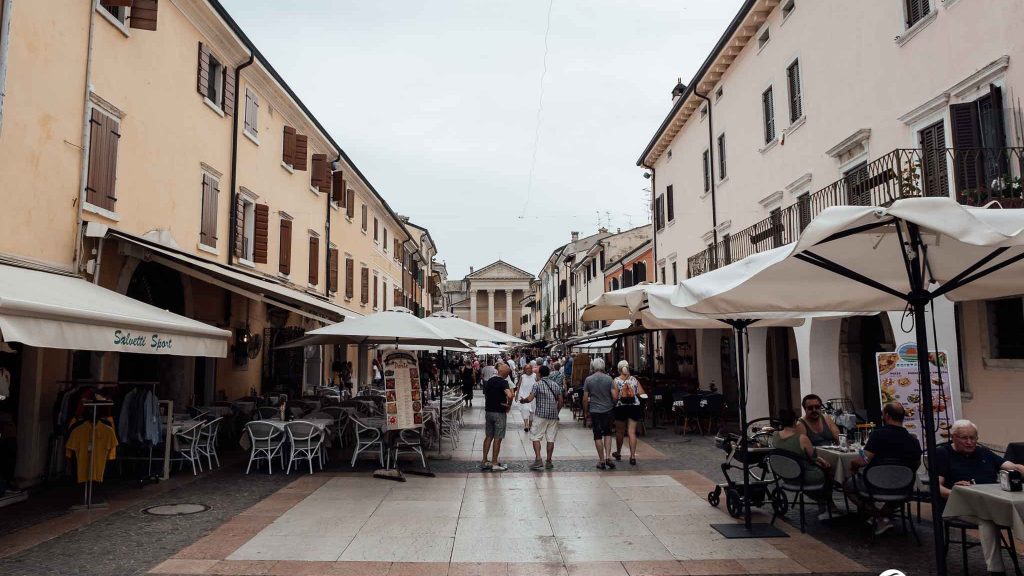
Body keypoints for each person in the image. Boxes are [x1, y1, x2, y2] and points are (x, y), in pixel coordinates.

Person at [935, 419, 1024, 576]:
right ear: (954, 437)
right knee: (986, 520)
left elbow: (1010, 466)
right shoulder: (943, 454)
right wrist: (955, 491)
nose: (970, 442)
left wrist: (1019, 468)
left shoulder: (983, 452)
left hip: (992, 504)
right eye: (964, 438)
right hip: (961, 506)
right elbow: (937, 487)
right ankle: (996, 571)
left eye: (973, 438)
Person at [844, 403, 922, 535]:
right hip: (902, 487)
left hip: (875, 485)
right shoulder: (913, 440)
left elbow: (864, 459)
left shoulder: (878, 435)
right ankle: (884, 516)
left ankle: (878, 517)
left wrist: (853, 464)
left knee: (847, 486)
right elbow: (916, 464)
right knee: (901, 488)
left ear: (886, 416)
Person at [773, 407, 833, 520]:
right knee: (829, 472)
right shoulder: (801, 438)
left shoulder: (775, 436)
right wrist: (823, 460)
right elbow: (813, 457)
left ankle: (823, 502)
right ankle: (827, 504)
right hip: (803, 476)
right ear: (795, 421)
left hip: (786, 476)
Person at [521, 365, 563, 470]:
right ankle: (549, 461)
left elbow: (530, 399)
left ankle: (538, 459)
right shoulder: (556, 385)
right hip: (553, 416)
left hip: (540, 415)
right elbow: (561, 400)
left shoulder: (537, 385)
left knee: (535, 437)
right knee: (551, 439)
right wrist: (557, 411)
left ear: (539, 373)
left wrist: (523, 400)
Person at [583, 357, 618, 470]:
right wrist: (612, 404)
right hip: (608, 410)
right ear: (603, 367)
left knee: (597, 435)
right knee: (608, 433)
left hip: (595, 411)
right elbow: (615, 397)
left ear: (593, 367)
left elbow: (585, 398)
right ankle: (608, 457)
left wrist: (585, 411)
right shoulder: (609, 379)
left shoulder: (588, 380)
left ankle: (601, 460)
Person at [481, 362, 514, 472]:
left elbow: (487, 394)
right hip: (499, 412)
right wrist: (508, 404)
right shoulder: (503, 382)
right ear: (505, 373)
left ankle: (484, 461)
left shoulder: (490, 381)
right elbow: (510, 395)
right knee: (498, 438)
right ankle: (494, 463)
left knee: (488, 436)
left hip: (488, 411)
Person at [612, 361, 646, 466]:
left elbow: (615, 397)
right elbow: (642, 393)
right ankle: (632, 456)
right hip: (634, 407)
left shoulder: (616, 380)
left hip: (621, 407)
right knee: (632, 432)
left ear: (619, 369)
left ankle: (618, 452)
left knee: (620, 432)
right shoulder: (634, 380)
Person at [516, 362, 538, 433]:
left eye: (529, 368)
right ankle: (526, 425)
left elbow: (538, 385)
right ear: (524, 370)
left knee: (532, 411)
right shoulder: (522, 376)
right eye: (526, 368)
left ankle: (530, 425)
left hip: (533, 396)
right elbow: (519, 386)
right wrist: (517, 395)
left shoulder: (535, 376)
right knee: (525, 409)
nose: (528, 370)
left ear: (531, 369)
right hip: (524, 395)